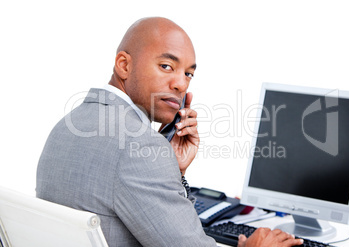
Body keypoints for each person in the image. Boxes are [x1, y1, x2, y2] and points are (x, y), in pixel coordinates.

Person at [36, 17, 303, 247]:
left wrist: (173, 172)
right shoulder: (139, 146)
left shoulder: (66, 126)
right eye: (166, 66)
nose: (180, 84)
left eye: (189, 74)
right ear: (124, 65)